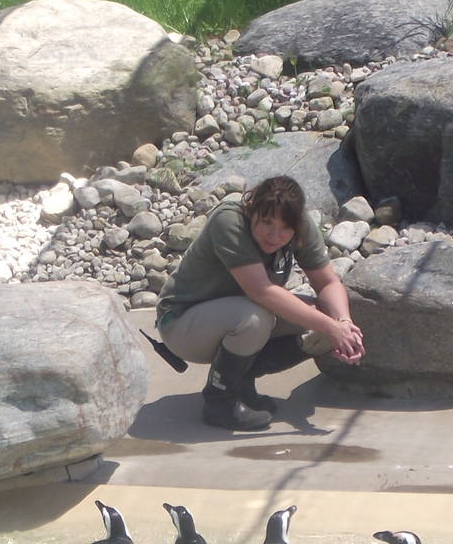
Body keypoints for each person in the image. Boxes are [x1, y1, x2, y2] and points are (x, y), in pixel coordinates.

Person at [152, 176, 365, 431]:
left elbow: (328, 283)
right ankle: (220, 401)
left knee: (325, 319)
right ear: (252, 209)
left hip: (234, 316)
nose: (275, 235)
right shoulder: (229, 221)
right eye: (266, 222)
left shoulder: (300, 224)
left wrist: (343, 324)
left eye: (285, 228)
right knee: (255, 318)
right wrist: (331, 327)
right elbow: (261, 291)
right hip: (181, 323)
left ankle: (241, 383)